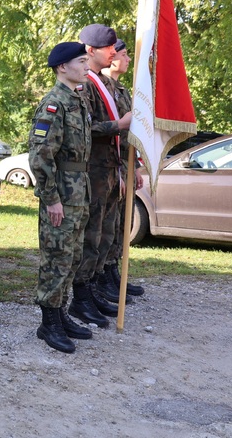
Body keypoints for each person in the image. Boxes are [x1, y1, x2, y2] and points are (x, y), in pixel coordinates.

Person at [69, 24, 135, 328]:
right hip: (93, 171)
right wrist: (118, 126)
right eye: (108, 48)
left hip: (109, 169)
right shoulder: (86, 85)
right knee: (91, 234)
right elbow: (85, 128)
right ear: (91, 50)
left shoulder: (105, 84)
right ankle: (81, 296)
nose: (113, 52)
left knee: (104, 233)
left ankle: (94, 287)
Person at [28, 41, 93, 353]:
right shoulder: (53, 104)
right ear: (62, 67)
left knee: (72, 256)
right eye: (81, 61)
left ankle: (61, 312)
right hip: (62, 195)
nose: (86, 66)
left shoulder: (77, 101)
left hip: (79, 192)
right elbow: (40, 156)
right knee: (56, 258)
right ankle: (48, 322)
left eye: (86, 61)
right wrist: (51, 198)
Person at [100, 39, 145, 299]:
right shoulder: (99, 87)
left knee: (121, 222)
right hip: (108, 165)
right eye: (124, 55)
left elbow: (130, 135)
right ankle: (103, 277)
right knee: (108, 224)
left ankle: (113, 272)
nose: (128, 59)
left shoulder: (121, 90)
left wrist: (135, 166)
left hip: (123, 163)